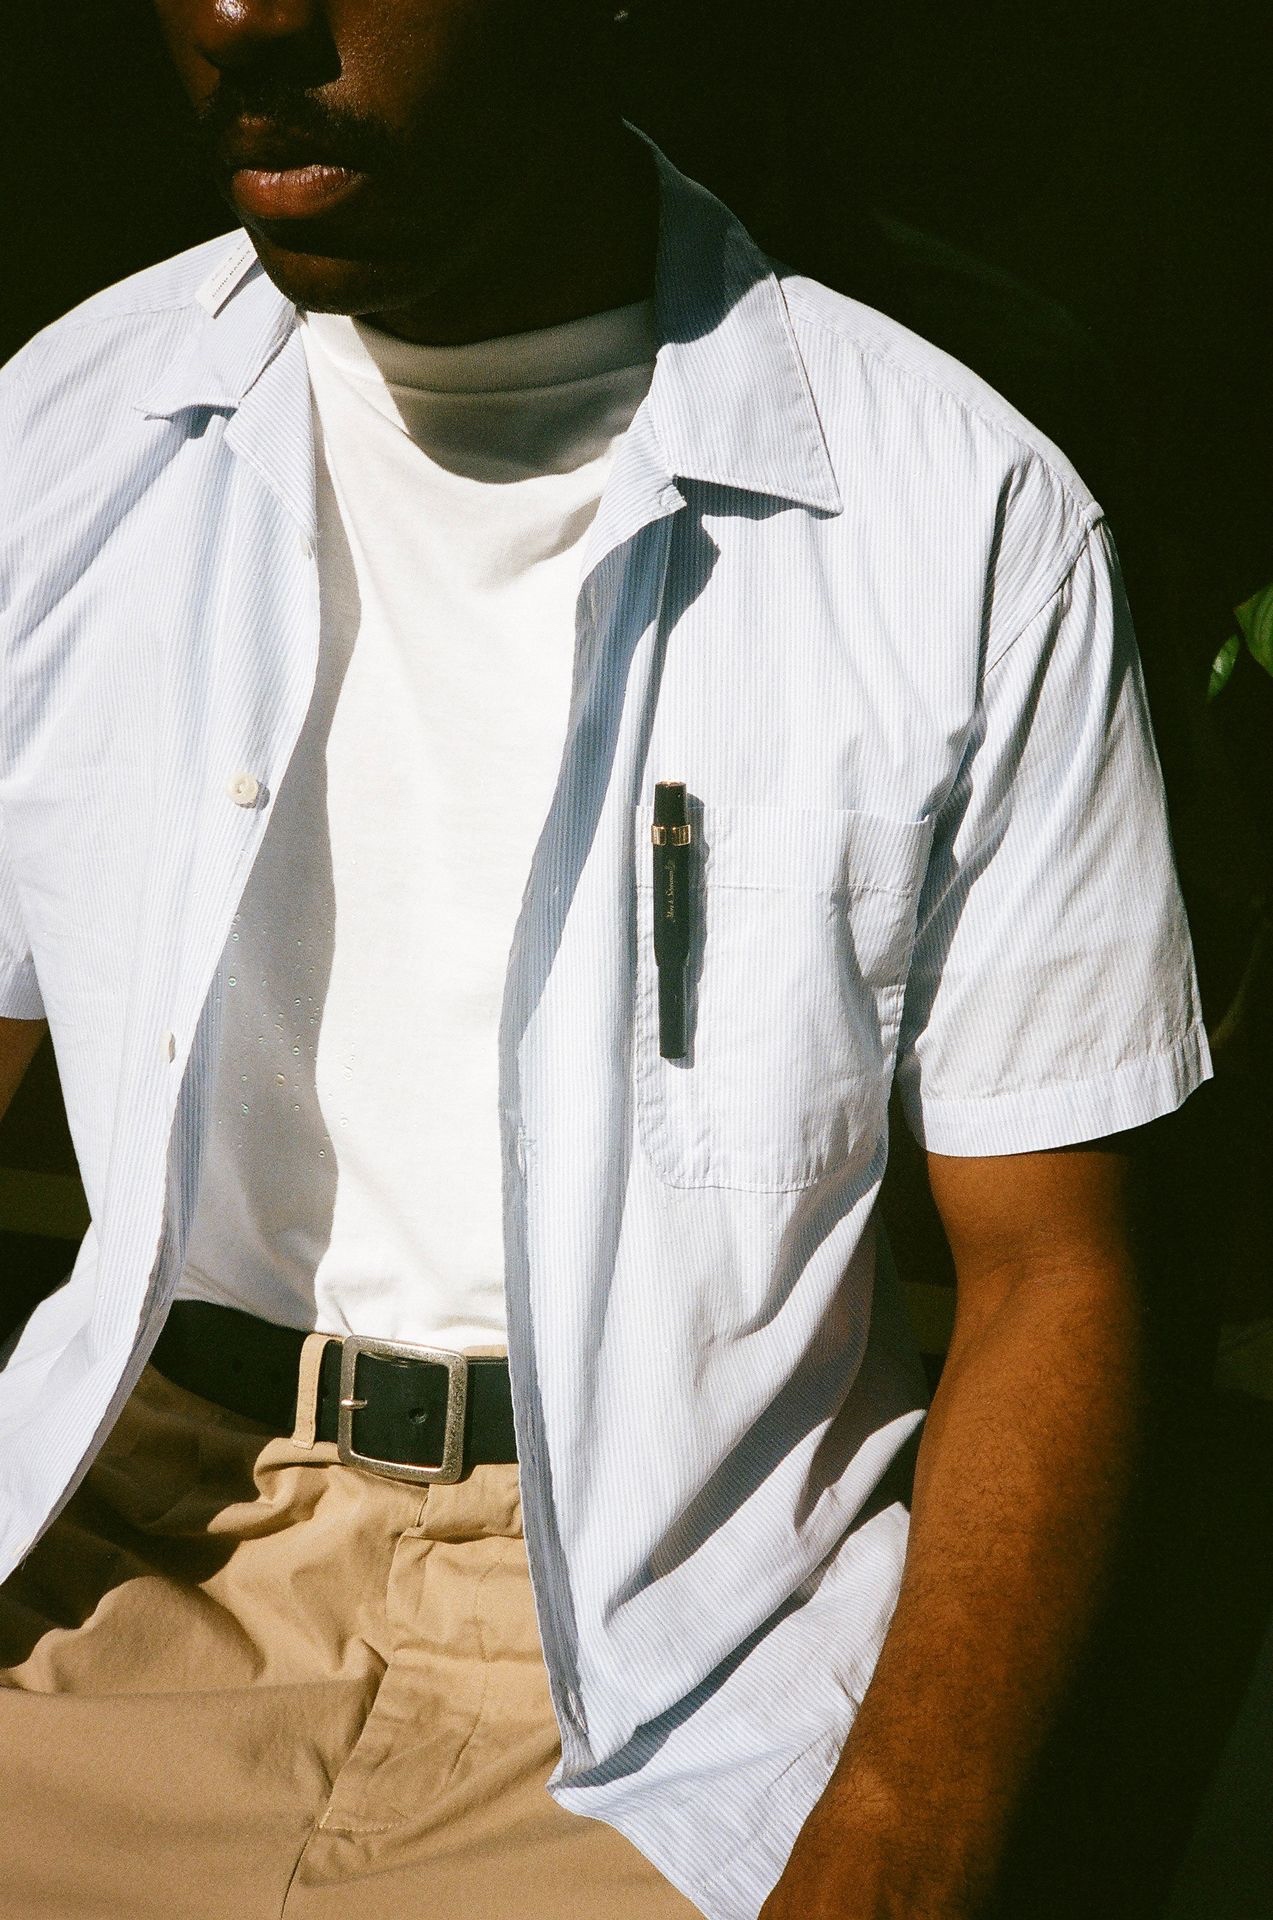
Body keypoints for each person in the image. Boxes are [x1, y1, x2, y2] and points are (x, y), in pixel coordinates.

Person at [0, 2, 1211, 1916]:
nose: (242, 19)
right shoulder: (64, 442)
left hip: (682, 1649)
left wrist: (899, 1834)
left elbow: (1056, 1266)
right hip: (119, 1544)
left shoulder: (956, 520)